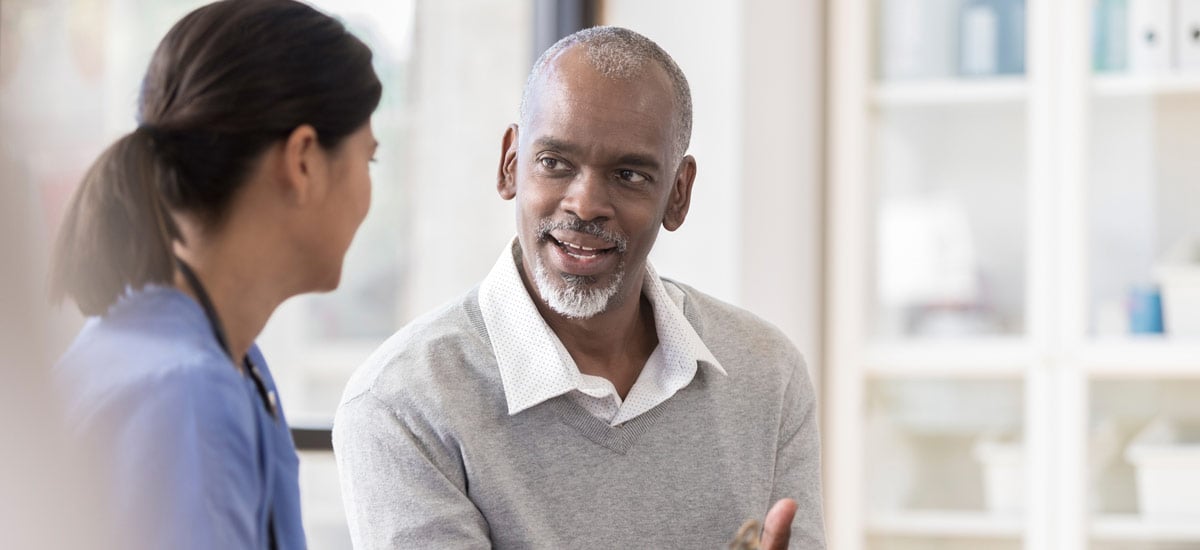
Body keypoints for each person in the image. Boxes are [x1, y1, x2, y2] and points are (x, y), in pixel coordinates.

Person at [334, 26, 824, 549]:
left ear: (678, 195)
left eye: (629, 174)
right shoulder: (402, 403)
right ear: (510, 165)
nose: (585, 204)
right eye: (555, 164)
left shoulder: (767, 372)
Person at [50, 1, 381, 548]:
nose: (369, 193)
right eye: (368, 160)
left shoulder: (216, 361)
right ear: (302, 161)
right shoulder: (185, 397)